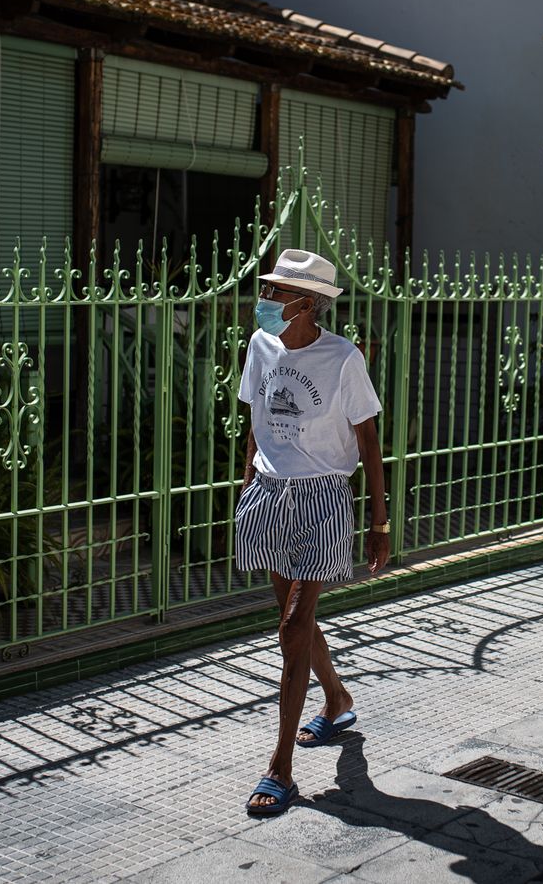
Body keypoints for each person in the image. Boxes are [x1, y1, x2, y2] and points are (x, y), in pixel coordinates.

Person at [235, 248, 390, 816]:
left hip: (323, 497)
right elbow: (254, 419)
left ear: (307, 302)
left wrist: (379, 523)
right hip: (270, 496)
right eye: (268, 289)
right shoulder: (261, 346)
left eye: (276, 293)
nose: (266, 301)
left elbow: (369, 441)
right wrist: (248, 480)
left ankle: (280, 767)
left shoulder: (342, 357)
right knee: (292, 626)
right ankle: (337, 699)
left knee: (293, 626)